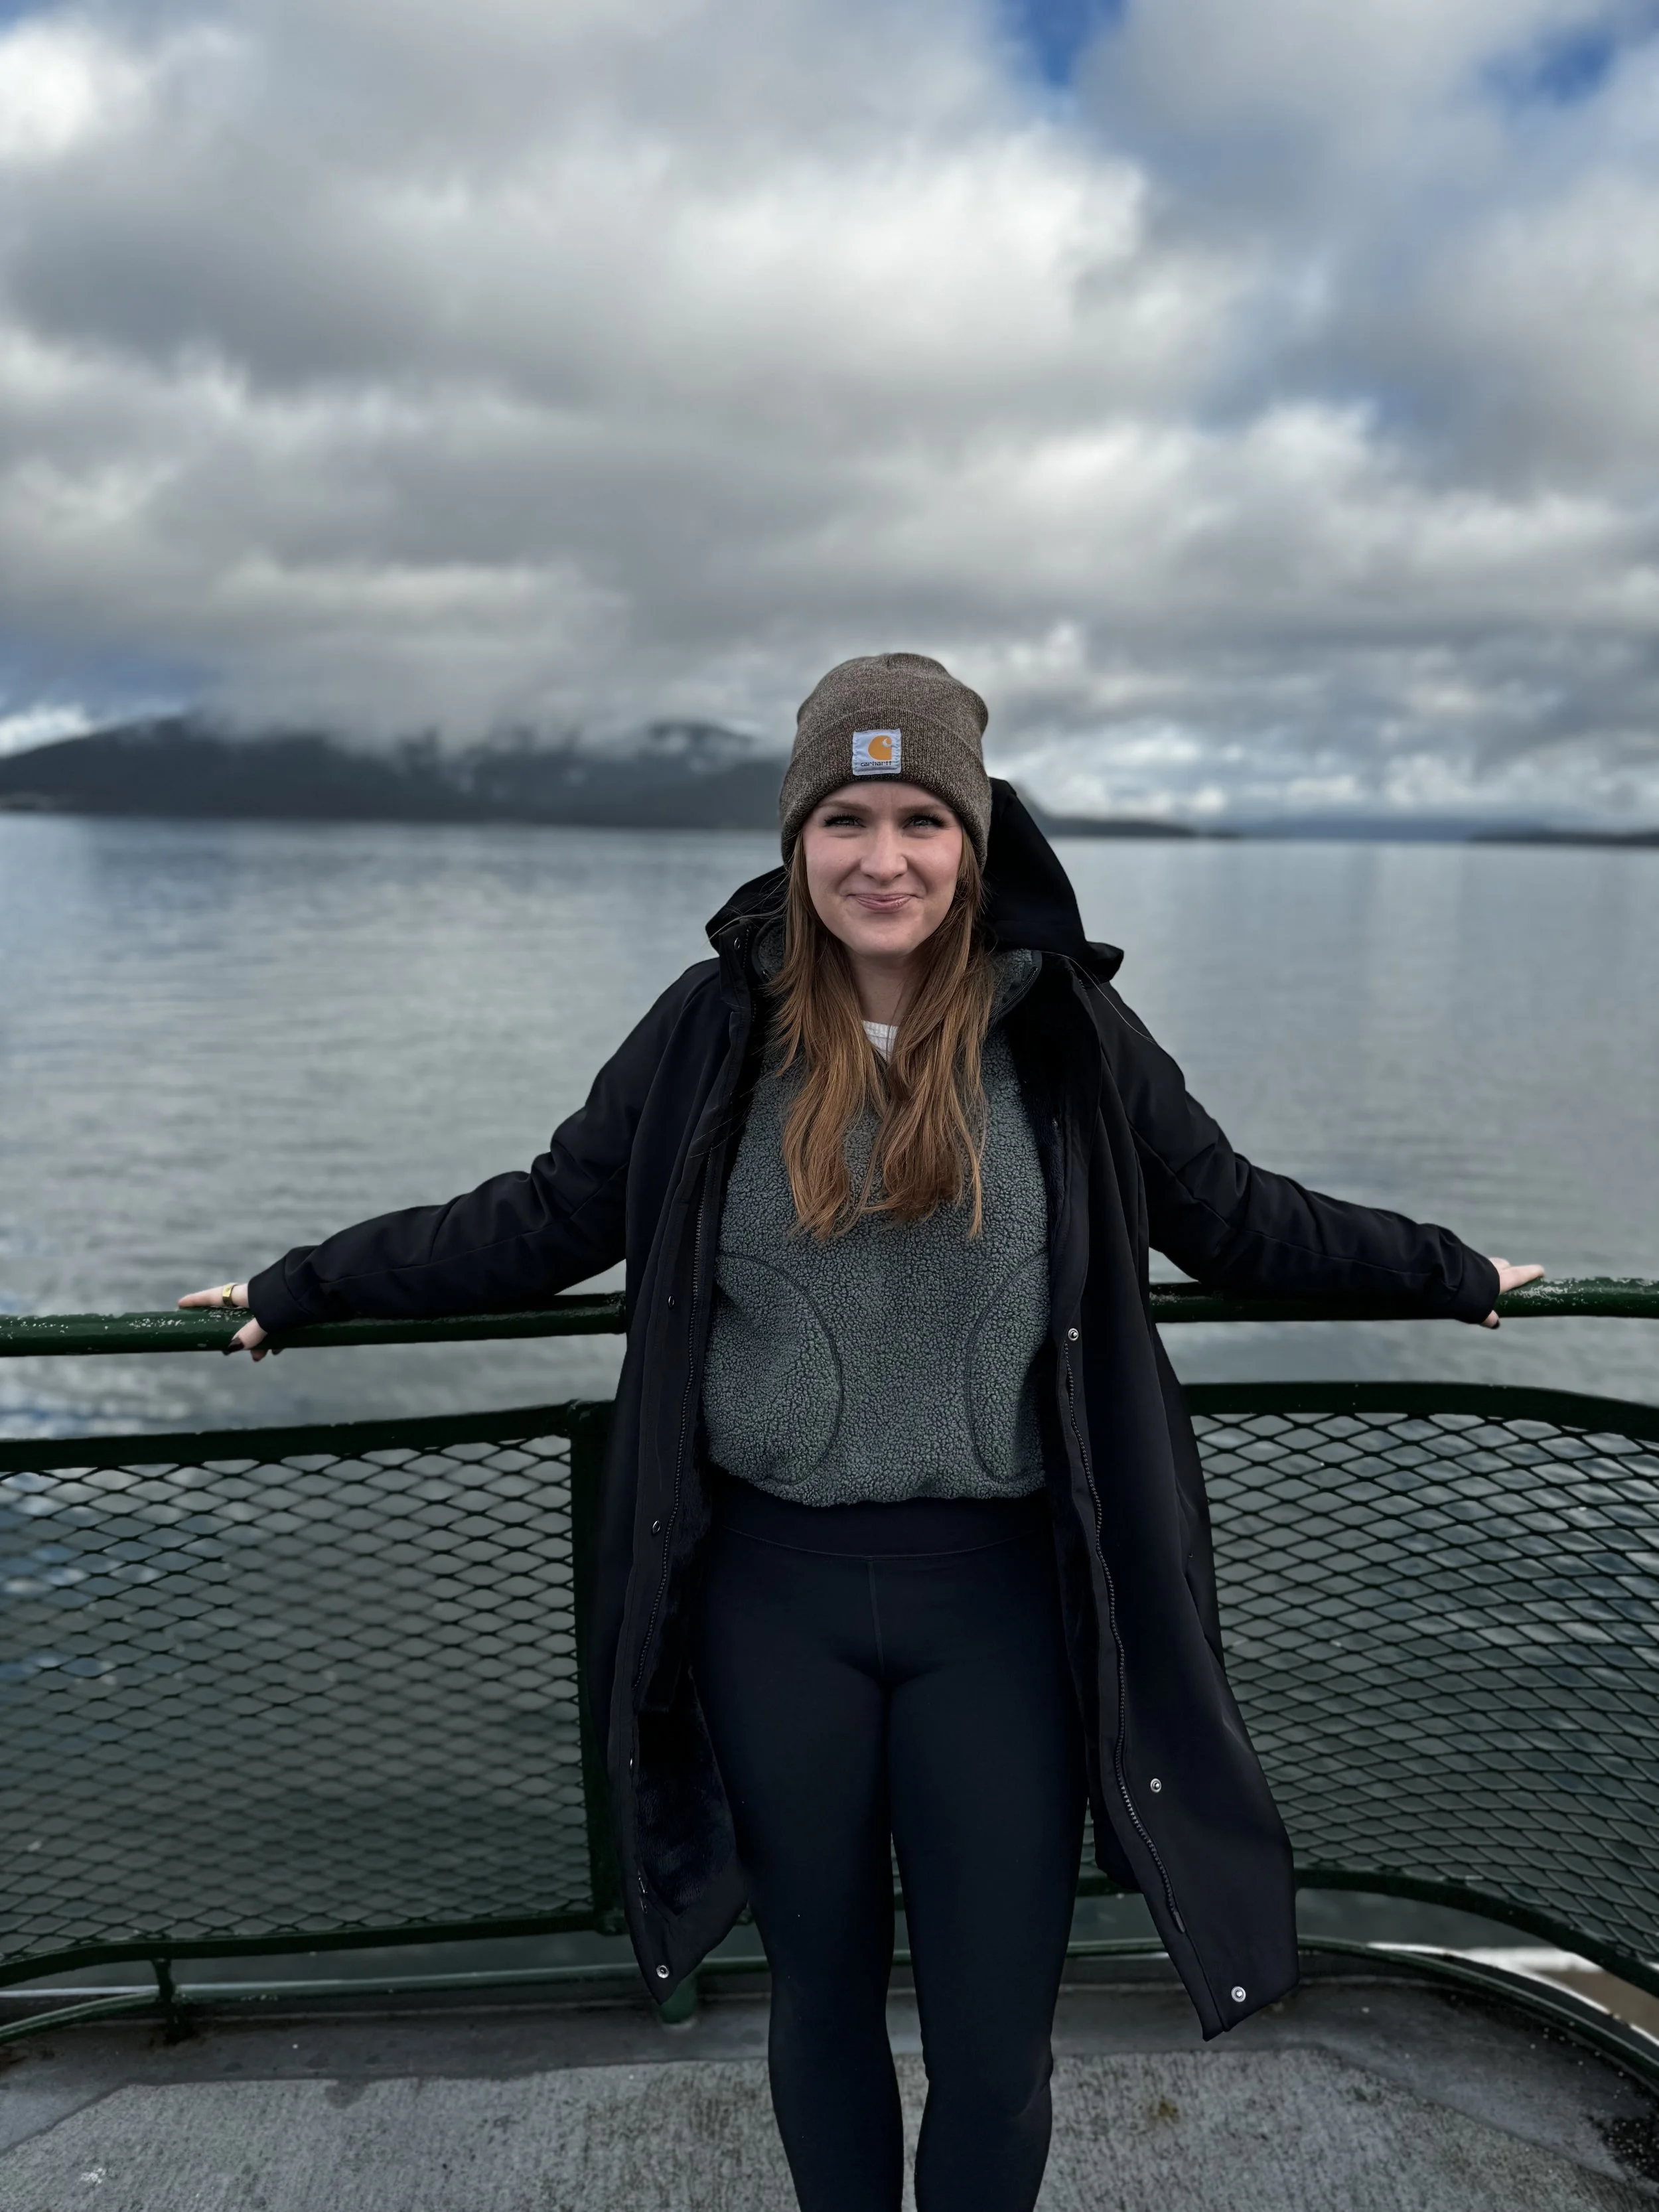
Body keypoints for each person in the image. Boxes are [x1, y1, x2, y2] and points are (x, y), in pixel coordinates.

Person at [182, 652, 1544, 2212]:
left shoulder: (1064, 1034)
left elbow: (1229, 1211)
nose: (880, 859)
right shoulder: (711, 1031)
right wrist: (307, 1283)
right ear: (795, 839)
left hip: (1002, 1611)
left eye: (918, 820)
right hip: (773, 1605)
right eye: (843, 818)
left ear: (972, 840)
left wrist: (1443, 1268)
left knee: (993, 2046)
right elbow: (546, 1213)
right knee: (816, 2010)